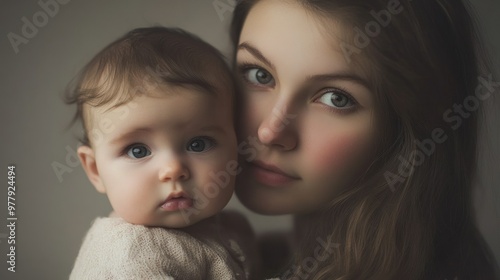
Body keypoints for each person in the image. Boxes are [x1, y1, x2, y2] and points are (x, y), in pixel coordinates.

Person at [230, 0, 500, 279]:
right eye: (258, 75)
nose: (269, 132)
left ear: (408, 128)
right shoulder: (254, 256)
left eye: (336, 98)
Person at [67, 27, 256, 279]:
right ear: (94, 170)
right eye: (138, 151)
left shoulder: (230, 226)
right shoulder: (129, 256)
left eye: (198, 144)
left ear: (237, 145)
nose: (173, 169)